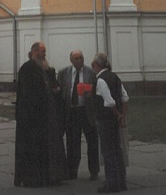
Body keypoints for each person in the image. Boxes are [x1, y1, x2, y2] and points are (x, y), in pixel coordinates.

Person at [14, 41, 66, 187]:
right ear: (35, 52)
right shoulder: (27, 69)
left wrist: (56, 91)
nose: (45, 55)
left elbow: (54, 85)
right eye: (42, 52)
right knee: (34, 149)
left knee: (50, 146)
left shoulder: (48, 69)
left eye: (45, 52)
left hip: (48, 115)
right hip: (33, 117)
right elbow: (27, 94)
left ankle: (52, 176)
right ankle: (34, 178)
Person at [58, 50, 99, 181]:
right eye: (76, 58)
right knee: (72, 143)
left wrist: (90, 95)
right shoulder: (64, 73)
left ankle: (94, 171)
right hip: (72, 112)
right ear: (71, 60)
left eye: (81, 58)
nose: (79, 61)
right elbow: (60, 92)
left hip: (86, 111)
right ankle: (72, 170)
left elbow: (97, 91)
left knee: (92, 142)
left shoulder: (91, 73)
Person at [92, 53, 129, 193]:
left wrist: (118, 114)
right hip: (115, 120)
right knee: (117, 150)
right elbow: (125, 97)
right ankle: (121, 181)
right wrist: (122, 116)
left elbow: (109, 102)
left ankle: (112, 183)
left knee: (108, 151)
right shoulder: (115, 77)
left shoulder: (101, 80)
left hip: (105, 119)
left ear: (96, 65)